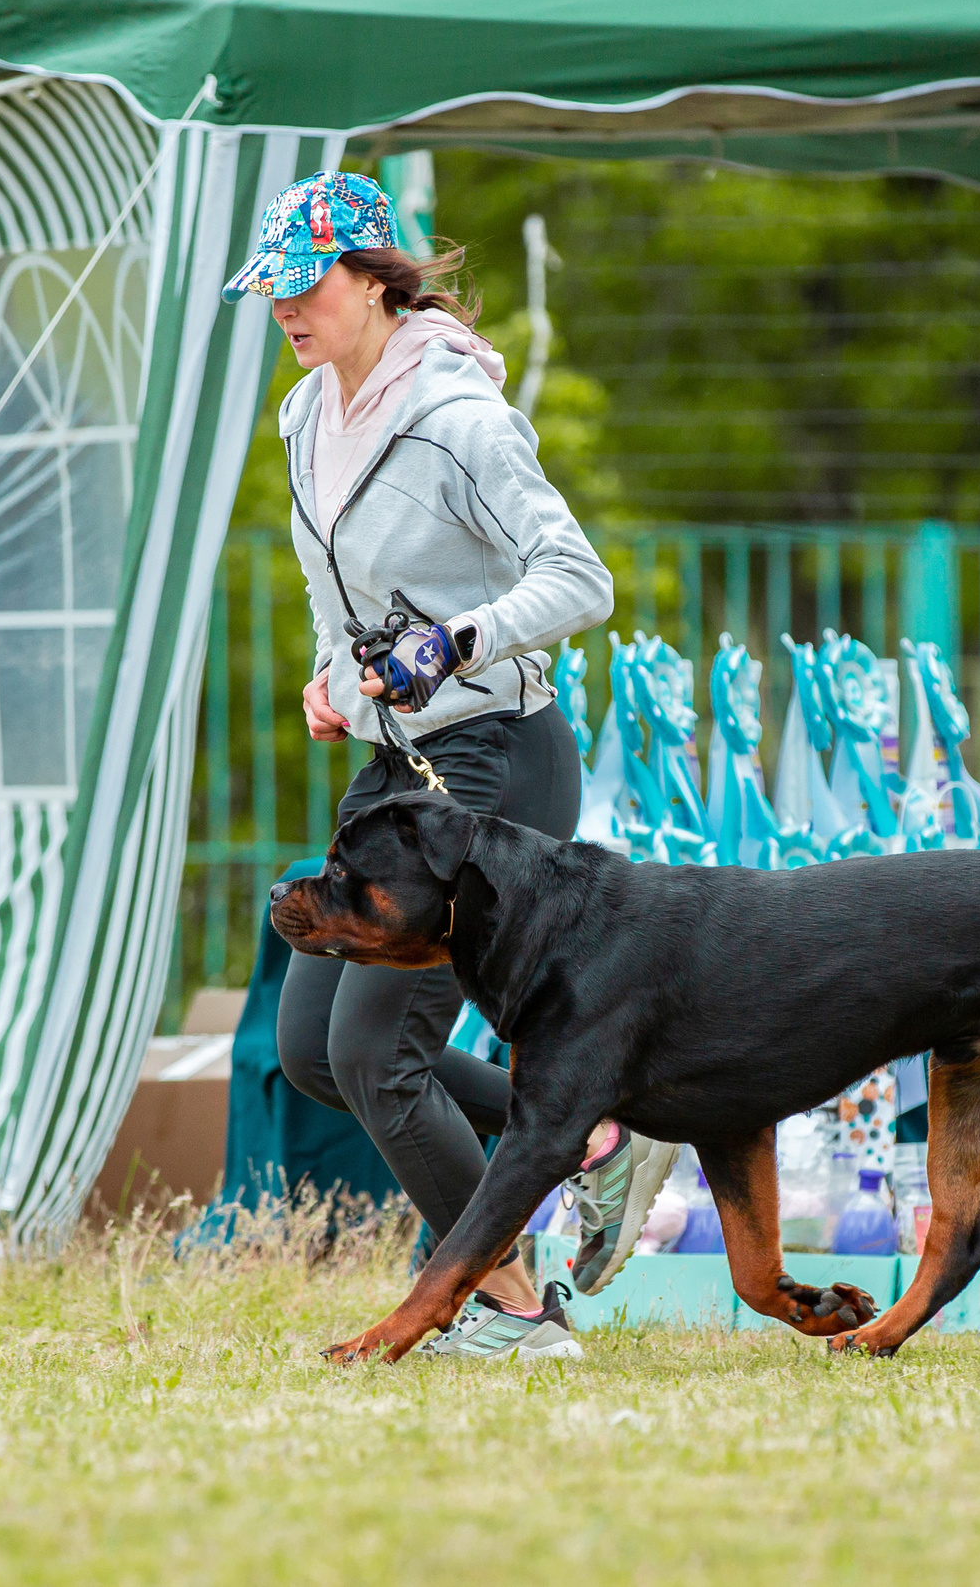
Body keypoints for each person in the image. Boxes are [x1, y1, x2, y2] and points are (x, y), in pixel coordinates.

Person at [225, 172, 673, 1359]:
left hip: (492, 760)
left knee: (380, 1053)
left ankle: (517, 1313)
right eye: (270, 288)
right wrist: (332, 676)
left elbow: (580, 579)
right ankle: (597, 1139)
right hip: (394, 766)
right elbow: (335, 591)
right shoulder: (302, 414)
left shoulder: (461, 416)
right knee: (313, 1052)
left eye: (303, 283)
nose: (282, 307)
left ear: (375, 281)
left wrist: (452, 642)